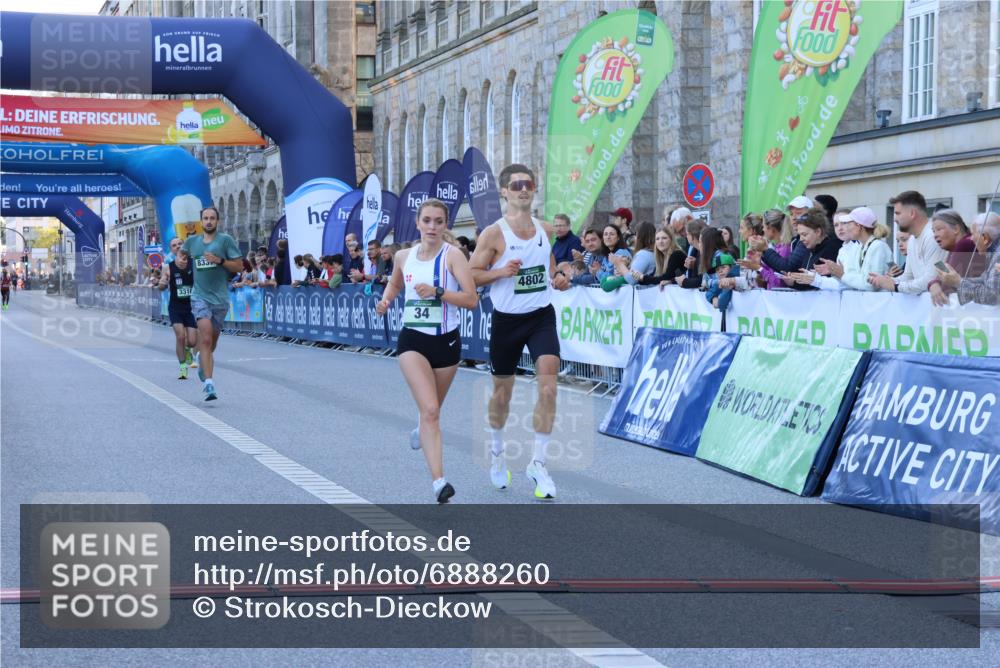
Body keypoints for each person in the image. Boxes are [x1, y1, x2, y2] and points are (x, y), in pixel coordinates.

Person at [468, 163, 571, 500]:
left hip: (541, 316)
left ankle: (538, 463)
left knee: (549, 387)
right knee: (502, 396)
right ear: (504, 191)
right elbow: (470, 275)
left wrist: (559, 278)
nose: (523, 189)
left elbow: (549, 269)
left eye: (528, 184)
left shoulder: (545, 229)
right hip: (507, 321)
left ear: (534, 187)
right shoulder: (493, 234)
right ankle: (498, 453)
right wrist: (499, 272)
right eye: (516, 185)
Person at [376, 199, 479, 503]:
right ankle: (439, 482)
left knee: (431, 411)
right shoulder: (404, 257)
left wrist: (438, 292)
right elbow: (395, 286)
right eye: (427, 221)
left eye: (438, 221)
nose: (432, 227)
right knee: (431, 411)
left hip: (446, 341)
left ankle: (422, 427)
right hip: (413, 341)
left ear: (445, 225)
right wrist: (384, 301)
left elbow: (472, 300)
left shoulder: (454, 256)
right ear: (418, 223)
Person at [182, 206, 243, 401]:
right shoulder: (193, 242)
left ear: (217, 221)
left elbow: (239, 266)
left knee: (212, 343)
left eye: (212, 218)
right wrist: (181, 261)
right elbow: (181, 255)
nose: (209, 221)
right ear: (201, 222)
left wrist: (220, 260)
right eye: (206, 218)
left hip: (221, 298)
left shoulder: (225, 241)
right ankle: (209, 384)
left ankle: (202, 360)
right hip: (200, 296)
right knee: (206, 338)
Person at [790, 207, 892, 291]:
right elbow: (853, 281)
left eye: (847, 223)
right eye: (836, 225)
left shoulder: (876, 246)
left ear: (859, 226)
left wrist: (837, 275)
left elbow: (869, 285)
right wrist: (821, 277)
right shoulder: (857, 247)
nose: (843, 228)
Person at [869, 190, 947, 294]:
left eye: (898, 213)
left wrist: (895, 286)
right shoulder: (912, 240)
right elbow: (908, 276)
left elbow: (931, 280)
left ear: (912, 213)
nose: (895, 219)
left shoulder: (932, 237)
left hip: (941, 305)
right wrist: (884, 281)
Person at [936, 212, 999, 306]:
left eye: (973, 234)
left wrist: (958, 282)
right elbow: (984, 280)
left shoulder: (998, 255)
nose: (971, 239)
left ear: (985, 238)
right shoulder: (993, 253)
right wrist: (957, 280)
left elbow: (992, 296)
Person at [157, 248, 199, 379]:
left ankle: (187, 350)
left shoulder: (194, 264)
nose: (183, 260)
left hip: (189, 308)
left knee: (192, 342)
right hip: (175, 307)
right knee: (180, 336)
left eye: (185, 258)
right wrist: (162, 283)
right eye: (175, 246)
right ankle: (182, 367)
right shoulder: (167, 267)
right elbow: (161, 285)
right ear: (175, 254)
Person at [676, 220, 707, 288]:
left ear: (692, 236)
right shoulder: (696, 250)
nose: (686, 237)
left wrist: (684, 282)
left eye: (687, 234)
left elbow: (702, 280)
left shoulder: (706, 251)